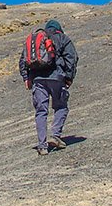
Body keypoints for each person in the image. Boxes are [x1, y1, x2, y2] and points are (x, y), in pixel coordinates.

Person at [19, 19, 78, 155]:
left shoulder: (36, 40)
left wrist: (26, 78)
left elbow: (23, 60)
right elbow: (71, 58)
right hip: (57, 78)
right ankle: (55, 135)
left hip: (38, 80)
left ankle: (42, 146)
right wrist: (69, 77)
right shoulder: (63, 38)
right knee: (61, 106)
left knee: (41, 112)